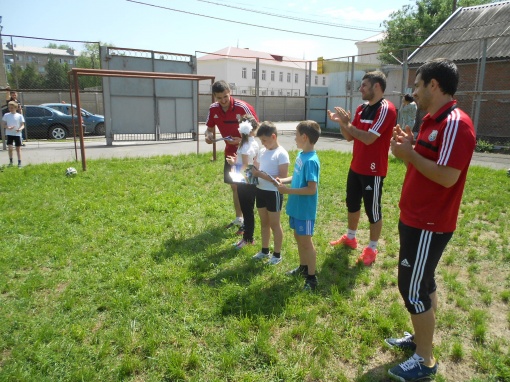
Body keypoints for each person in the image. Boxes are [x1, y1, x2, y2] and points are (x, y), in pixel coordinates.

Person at [386, 58, 476, 381]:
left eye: (417, 84)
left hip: (429, 222)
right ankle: (421, 338)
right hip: (415, 216)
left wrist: (409, 154)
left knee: (411, 289)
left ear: (433, 85)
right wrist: (410, 147)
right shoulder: (431, 120)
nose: (414, 91)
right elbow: (427, 162)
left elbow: (449, 177)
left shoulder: (455, 123)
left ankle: (425, 360)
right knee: (424, 281)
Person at [327, 71, 397, 266]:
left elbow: (368, 138)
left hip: (373, 171)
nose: (360, 89)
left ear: (376, 86)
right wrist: (343, 123)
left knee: (372, 211)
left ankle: (372, 249)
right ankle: (351, 237)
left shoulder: (386, 109)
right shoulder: (361, 108)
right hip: (356, 166)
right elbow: (350, 136)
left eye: (364, 85)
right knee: (352, 204)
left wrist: (348, 124)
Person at [205, 80, 259, 235]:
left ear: (230, 92)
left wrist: (241, 140)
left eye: (225, 96)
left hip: (247, 155)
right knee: (235, 186)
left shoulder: (242, 107)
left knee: (247, 189)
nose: (223, 101)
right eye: (219, 98)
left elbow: (258, 130)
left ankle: (249, 225)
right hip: (231, 155)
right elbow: (209, 128)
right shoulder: (213, 109)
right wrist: (208, 136)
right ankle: (240, 219)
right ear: (214, 96)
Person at [277, 120, 321, 291]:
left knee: (306, 242)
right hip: (296, 208)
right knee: (298, 238)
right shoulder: (302, 155)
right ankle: (303, 268)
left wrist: (287, 191)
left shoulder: (311, 161)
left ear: (304, 137)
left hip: (304, 210)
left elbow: (311, 189)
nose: (294, 138)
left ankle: (312, 278)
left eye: (296, 134)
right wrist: (284, 180)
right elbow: (296, 179)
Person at [251, 121, 289, 265]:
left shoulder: (282, 154)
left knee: (275, 224)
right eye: (261, 141)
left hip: (273, 193)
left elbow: (283, 178)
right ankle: (265, 251)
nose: (263, 144)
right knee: (264, 223)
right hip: (260, 191)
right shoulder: (262, 151)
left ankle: (277, 255)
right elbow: (256, 169)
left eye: (265, 141)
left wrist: (260, 175)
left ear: (273, 136)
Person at [226, 115, 260, 249]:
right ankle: (247, 237)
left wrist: (233, 163)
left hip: (245, 179)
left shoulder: (245, 145)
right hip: (250, 178)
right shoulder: (253, 142)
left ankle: (248, 238)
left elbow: (246, 164)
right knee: (248, 209)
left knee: (247, 210)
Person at [2, 101, 25, 168]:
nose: (10, 109)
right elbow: (3, 124)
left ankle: (19, 163)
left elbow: (22, 125)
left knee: (18, 148)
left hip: (17, 134)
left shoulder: (19, 116)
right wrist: (7, 127)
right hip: (9, 134)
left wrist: (20, 129)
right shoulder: (6, 115)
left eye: (12, 108)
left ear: (16, 108)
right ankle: (11, 162)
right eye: (9, 108)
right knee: (10, 148)